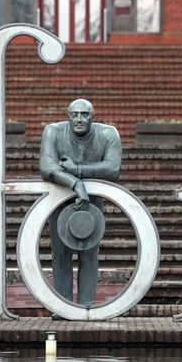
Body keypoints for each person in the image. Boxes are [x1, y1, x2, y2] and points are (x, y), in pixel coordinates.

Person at [39, 99, 122, 305]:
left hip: (92, 203)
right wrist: (76, 184)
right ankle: (62, 306)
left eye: (84, 115)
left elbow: (113, 169)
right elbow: (47, 167)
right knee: (60, 255)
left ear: (92, 117)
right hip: (60, 202)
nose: (79, 119)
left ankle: (86, 305)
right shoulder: (53, 132)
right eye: (74, 114)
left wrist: (76, 169)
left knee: (89, 255)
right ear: (68, 116)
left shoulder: (108, 134)